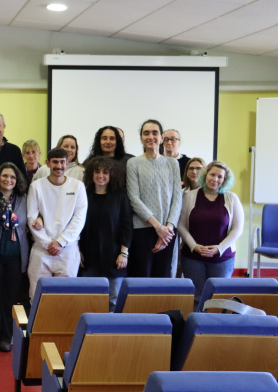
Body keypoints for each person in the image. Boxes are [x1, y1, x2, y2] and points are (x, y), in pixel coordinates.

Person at [0, 162, 30, 353]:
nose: (8, 180)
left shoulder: (24, 199)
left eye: (12, 177)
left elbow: (32, 218)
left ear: (17, 181)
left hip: (16, 257)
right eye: (5, 176)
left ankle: (6, 338)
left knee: (11, 299)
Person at [178, 161, 243, 306]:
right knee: (196, 298)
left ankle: (216, 328)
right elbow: (181, 225)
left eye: (220, 177)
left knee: (219, 298)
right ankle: (195, 327)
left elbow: (237, 229)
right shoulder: (190, 196)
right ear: (205, 175)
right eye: (212, 174)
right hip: (193, 256)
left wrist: (219, 248)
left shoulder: (231, 198)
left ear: (225, 180)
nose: (215, 179)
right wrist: (194, 246)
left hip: (222, 258)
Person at [26, 147, 88, 299]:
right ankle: (38, 324)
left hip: (68, 249)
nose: (58, 166)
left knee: (65, 298)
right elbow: (31, 217)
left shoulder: (78, 186)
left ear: (67, 164)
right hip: (41, 249)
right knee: (37, 297)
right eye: (55, 162)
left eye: (62, 162)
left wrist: (60, 242)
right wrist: (48, 243)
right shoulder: (36, 186)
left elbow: (79, 218)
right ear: (47, 163)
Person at [126, 120, 183, 278]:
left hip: (168, 231)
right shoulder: (133, 163)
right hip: (142, 229)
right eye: (146, 133)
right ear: (141, 138)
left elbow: (177, 198)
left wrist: (168, 228)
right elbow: (133, 198)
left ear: (162, 137)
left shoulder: (172, 163)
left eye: (154, 133)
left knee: (163, 277)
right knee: (141, 277)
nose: (150, 136)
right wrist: (158, 227)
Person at [78, 157, 133, 310]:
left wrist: (124, 253)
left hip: (114, 256)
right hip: (88, 256)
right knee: (89, 299)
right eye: (97, 171)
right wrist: (78, 249)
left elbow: (127, 227)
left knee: (114, 301)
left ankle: (111, 333)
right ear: (91, 174)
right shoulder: (84, 195)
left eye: (105, 172)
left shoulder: (121, 197)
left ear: (111, 175)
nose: (100, 175)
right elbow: (76, 225)